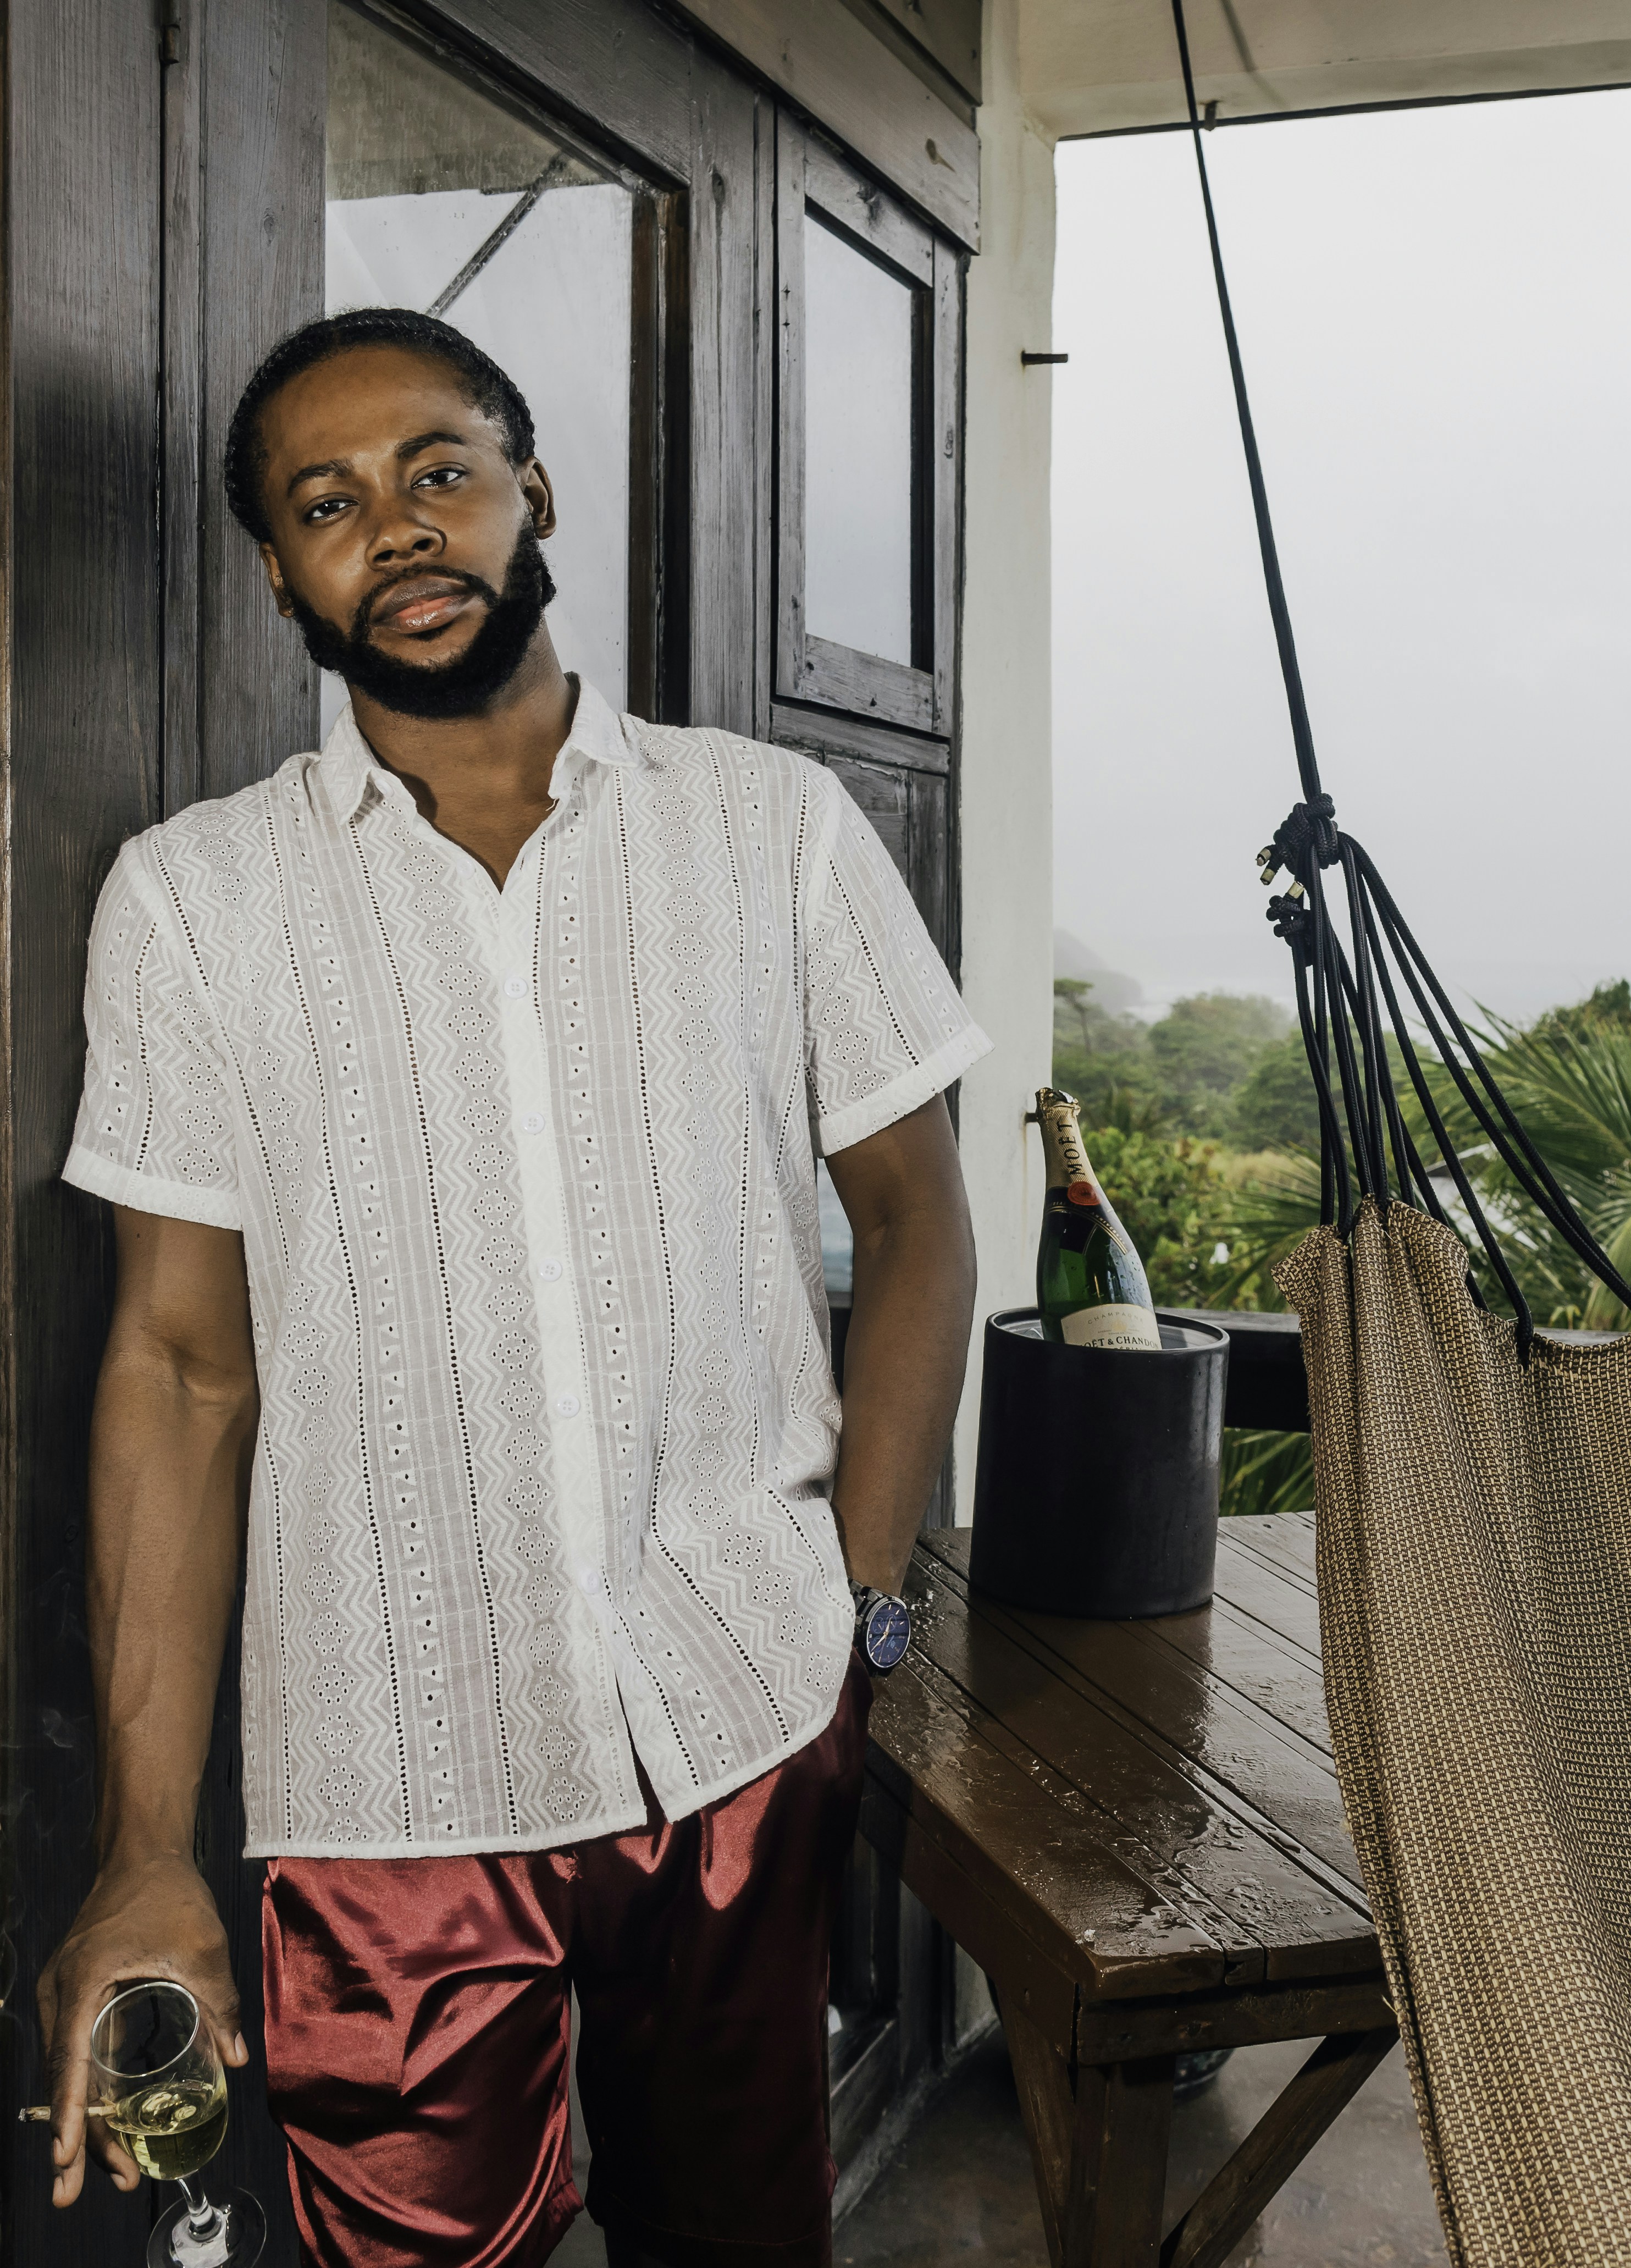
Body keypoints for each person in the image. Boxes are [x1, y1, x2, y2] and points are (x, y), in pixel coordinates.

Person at [33, 306, 986, 2265]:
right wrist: (145, 1852)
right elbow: (184, 1370)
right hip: (388, 1782)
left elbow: (916, 1221)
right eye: (327, 502)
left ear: (530, 488)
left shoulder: (770, 831)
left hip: (739, 1719)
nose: (395, 528)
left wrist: (858, 1621)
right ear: (280, 569)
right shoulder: (196, 900)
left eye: (437, 468)